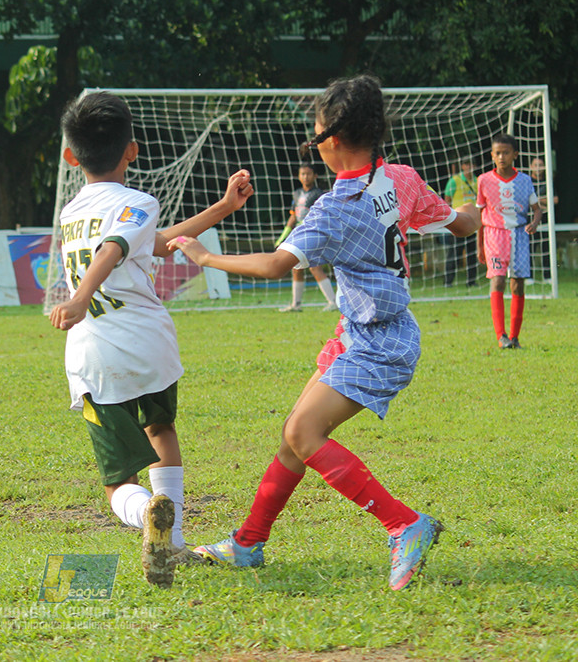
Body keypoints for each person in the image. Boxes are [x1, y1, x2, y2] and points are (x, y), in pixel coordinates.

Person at [168, 75, 481, 591]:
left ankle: (404, 523)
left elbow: (275, 265)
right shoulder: (399, 178)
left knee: (301, 433)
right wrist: (481, 211)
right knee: (296, 436)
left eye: (314, 135)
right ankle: (247, 543)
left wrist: (203, 255)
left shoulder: (335, 208)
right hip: (369, 334)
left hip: (377, 342)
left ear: (331, 141)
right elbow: (460, 223)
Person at [49, 91, 254, 588]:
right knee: (160, 433)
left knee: (118, 479)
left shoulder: (70, 213)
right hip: (150, 346)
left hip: (97, 355)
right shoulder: (138, 202)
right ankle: (174, 540)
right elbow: (120, 245)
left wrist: (79, 300)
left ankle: (147, 516)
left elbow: (139, 245)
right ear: (133, 151)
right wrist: (83, 294)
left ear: (70, 156)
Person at [476, 134, 542, 349]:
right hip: (494, 236)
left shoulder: (524, 180)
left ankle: (514, 337)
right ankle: (501, 336)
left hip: (519, 236)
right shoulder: (484, 180)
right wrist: (479, 245)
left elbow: (537, 209)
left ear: (515, 155)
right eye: (497, 153)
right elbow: (479, 216)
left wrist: (534, 223)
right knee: (498, 280)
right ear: (492, 155)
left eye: (505, 152)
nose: (501, 157)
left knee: (517, 283)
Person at [274, 162, 337, 311]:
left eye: (308, 174)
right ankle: (296, 304)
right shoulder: (296, 194)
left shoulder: (319, 194)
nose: (305, 177)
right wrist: (283, 236)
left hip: (313, 234)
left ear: (315, 176)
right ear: (298, 176)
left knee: (315, 267)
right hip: (299, 235)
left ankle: (333, 301)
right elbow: (293, 216)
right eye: (302, 174)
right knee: (296, 268)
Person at [442, 156, 479, 287]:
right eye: (467, 164)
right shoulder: (454, 181)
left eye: (472, 164)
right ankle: (448, 281)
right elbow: (447, 200)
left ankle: (471, 281)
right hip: (457, 222)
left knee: (472, 253)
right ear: (462, 166)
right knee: (454, 252)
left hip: (473, 224)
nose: (470, 167)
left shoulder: (477, 181)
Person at [529, 157, 557, 281]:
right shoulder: (527, 181)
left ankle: (547, 276)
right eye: (536, 165)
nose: (538, 167)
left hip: (545, 220)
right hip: (529, 220)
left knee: (547, 247)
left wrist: (537, 201)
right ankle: (529, 277)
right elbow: (525, 200)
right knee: (530, 249)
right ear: (531, 167)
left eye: (540, 164)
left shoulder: (548, 181)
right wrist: (543, 202)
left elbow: (555, 200)